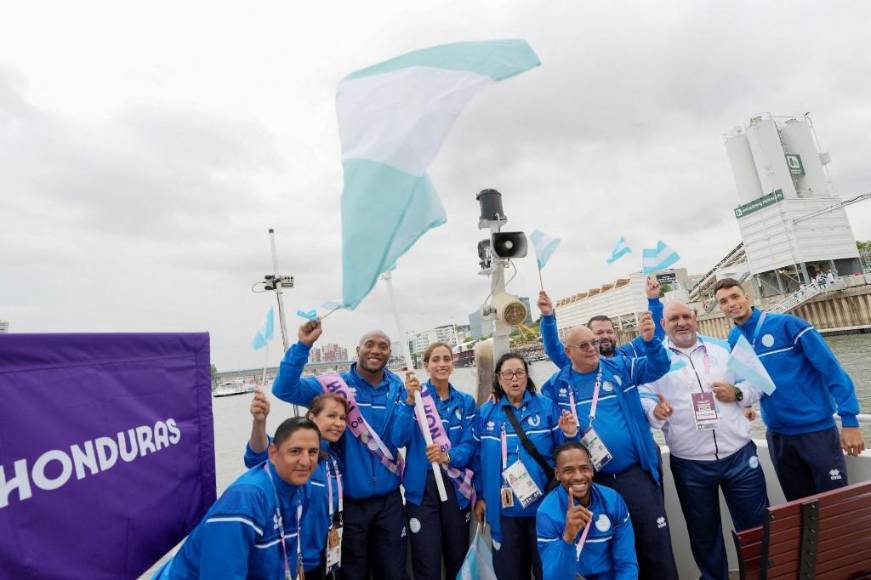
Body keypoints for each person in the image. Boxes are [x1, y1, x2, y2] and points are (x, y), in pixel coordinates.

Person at [272, 320, 416, 580]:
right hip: (348, 507)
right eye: (369, 345)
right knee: (352, 575)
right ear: (357, 349)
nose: (376, 350)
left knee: (395, 573)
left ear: (389, 354)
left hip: (390, 502)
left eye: (383, 346)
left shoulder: (399, 388)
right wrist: (303, 345)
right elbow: (284, 388)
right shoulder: (333, 386)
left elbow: (405, 435)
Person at [539, 313, 678, 580]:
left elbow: (659, 366)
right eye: (584, 345)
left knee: (654, 546)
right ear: (568, 352)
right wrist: (498, 395)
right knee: (606, 552)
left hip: (632, 474)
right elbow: (530, 403)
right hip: (591, 482)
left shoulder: (620, 367)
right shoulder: (555, 387)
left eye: (593, 342)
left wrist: (650, 342)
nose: (592, 348)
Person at [639, 300, 768, 580]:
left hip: (740, 457)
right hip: (690, 464)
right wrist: (655, 411)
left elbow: (760, 382)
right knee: (704, 535)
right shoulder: (653, 361)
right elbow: (645, 398)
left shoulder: (725, 346)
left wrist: (736, 393)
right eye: (674, 318)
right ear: (664, 324)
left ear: (696, 318)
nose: (681, 322)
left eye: (686, 316)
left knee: (756, 529)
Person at [714, 277, 865, 501]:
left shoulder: (788, 325)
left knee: (834, 507)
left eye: (735, 296)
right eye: (724, 301)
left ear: (748, 297)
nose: (731, 304)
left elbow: (831, 370)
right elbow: (749, 379)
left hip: (816, 432)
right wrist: (745, 404)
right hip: (778, 436)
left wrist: (850, 420)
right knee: (798, 508)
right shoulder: (734, 338)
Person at [154, 417, 321, 579]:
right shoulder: (244, 501)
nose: (306, 461)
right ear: (273, 453)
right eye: (295, 451)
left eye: (312, 452)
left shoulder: (302, 488)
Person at [472, 352, 579, 580]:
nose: (514, 379)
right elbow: (476, 459)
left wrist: (569, 434)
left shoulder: (547, 407)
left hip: (545, 509)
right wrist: (480, 495)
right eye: (508, 374)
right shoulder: (486, 412)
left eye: (519, 372)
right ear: (499, 379)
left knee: (547, 572)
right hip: (504, 512)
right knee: (510, 573)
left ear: (527, 376)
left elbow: (564, 455)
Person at [245, 391, 348, 580]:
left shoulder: (333, 460)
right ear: (312, 417)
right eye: (331, 416)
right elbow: (258, 456)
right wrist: (259, 422)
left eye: (343, 418)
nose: (339, 423)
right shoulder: (294, 454)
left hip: (324, 560)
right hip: (289, 563)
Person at [403, 342, 477, 580]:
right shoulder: (416, 399)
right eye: (435, 359)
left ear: (452, 363)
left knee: (458, 556)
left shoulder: (466, 402)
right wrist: (409, 403)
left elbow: (470, 444)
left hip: (455, 488)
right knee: (427, 560)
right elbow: (397, 437)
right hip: (422, 489)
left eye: (446, 358)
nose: (442, 364)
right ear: (426, 366)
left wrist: (448, 456)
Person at [536, 442, 637, 580]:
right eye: (568, 470)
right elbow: (554, 577)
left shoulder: (613, 500)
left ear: (592, 470)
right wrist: (568, 537)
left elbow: (626, 565)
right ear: (557, 474)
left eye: (584, 468)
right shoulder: (547, 513)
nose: (578, 476)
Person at [538, 276, 664, 367]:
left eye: (609, 331)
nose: (605, 336)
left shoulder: (629, 353)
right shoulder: (578, 362)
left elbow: (655, 336)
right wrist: (548, 316)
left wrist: (653, 299)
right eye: (599, 333)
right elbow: (553, 348)